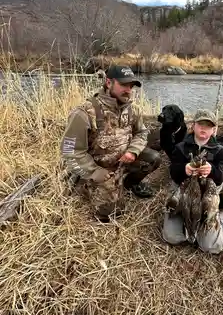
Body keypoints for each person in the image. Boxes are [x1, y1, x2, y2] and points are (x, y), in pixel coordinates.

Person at [60, 65, 161, 222]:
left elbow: (142, 132)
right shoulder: (85, 112)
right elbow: (70, 150)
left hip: (124, 161)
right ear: (108, 83)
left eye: (131, 86)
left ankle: (126, 183)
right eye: (123, 85)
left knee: (153, 158)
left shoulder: (132, 109)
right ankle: (88, 185)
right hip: (100, 168)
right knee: (111, 214)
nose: (128, 90)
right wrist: (94, 172)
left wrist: (133, 151)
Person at [162, 109, 223, 254]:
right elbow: (174, 173)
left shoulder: (220, 150)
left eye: (208, 126)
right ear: (193, 126)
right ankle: (188, 219)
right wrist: (185, 170)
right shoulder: (180, 148)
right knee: (172, 237)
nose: (203, 128)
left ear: (214, 130)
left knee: (210, 246)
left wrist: (211, 171)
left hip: (208, 194)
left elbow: (221, 176)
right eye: (200, 124)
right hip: (184, 193)